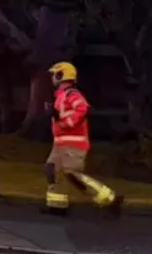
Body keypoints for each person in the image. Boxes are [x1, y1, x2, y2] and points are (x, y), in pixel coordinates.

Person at [43, 62, 123, 215]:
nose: (52, 78)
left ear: (61, 75)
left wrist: (64, 122)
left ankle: (109, 199)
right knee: (52, 170)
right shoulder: (60, 96)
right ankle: (57, 206)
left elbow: (82, 109)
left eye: (54, 74)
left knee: (72, 173)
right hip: (60, 142)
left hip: (73, 142)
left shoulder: (72, 94)